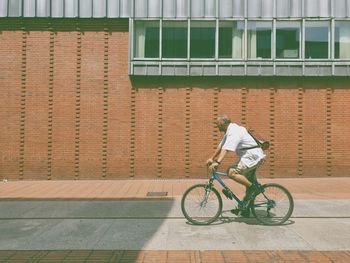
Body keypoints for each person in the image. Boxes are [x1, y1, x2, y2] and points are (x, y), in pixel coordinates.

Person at [206, 115, 266, 216]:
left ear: (222, 124)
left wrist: (218, 162)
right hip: (250, 157)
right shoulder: (230, 131)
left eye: (218, 125)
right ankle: (245, 210)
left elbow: (226, 149)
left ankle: (254, 189)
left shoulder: (233, 131)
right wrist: (212, 158)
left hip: (252, 157)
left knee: (231, 172)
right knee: (248, 183)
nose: (217, 127)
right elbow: (221, 146)